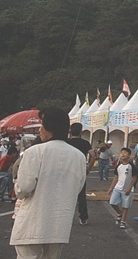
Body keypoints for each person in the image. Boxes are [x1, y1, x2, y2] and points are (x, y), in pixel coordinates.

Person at [10, 107, 86, 259]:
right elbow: (78, 187)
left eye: (41, 125)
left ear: (48, 128)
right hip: (59, 226)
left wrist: (16, 184)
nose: (39, 130)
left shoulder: (35, 152)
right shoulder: (78, 156)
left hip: (32, 222)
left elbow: (23, 188)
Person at [68, 122, 96, 225]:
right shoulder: (85, 143)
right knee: (81, 195)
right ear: (80, 131)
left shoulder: (67, 142)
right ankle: (83, 217)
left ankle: (65, 216)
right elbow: (93, 156)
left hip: (68, 170)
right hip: (81, 170)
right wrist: (89, 168)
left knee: (67, 194)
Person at [108, 147, 138, 229]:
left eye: (125, 153)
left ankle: (123, 221)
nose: (123, 154)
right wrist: (111, 188)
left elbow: (135, 177)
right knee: (112, 202)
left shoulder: (131, 166)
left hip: (127, 189)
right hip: (118, 187)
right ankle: (119, 213)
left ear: (129, 155)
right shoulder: (119, 165)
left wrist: (130, 188)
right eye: (122, 153)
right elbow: (116, 176)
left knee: (125, 206)